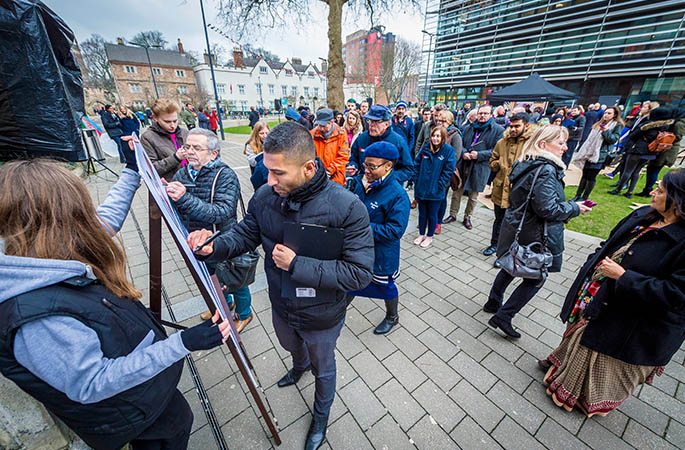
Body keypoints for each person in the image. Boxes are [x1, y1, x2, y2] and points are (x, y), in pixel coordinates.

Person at [0, 158, 231, 450]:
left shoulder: (43, 251)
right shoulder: (34, 315)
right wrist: (182, 343)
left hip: (137, 393)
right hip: (125, 411)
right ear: (56, 219)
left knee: (178, 421)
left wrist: (132, 172)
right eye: (80, 210)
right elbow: (92, 382)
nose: (90, 217)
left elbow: (106, 219)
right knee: (170, 433)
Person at [187, 122, 374, 450]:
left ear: (308, 168)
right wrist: (213, 247)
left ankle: (320, 417)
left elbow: (359, 274)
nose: (269, 180)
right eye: (267, 169)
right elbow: (245, 233)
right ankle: (298, 367)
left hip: (321, 314)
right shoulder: (265, 196)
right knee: (290, 345)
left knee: (323, 368)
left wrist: (297, 265)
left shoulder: (347, 207)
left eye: (278, 173)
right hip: (282, 304)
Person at [542, 169, 685, 417]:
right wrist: (593, 263)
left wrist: (623, 277)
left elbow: (676, 294)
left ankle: (581, 397)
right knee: (579, 335)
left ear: (678, 201)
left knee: (600, 354)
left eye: (660, 190)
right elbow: (609, 243)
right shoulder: (644, 215)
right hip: (601, 295)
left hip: (633, 322)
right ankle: (561, 369)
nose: (652, 192)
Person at [484, 125, 591, 338]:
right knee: (536, 277)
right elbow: (547, 208)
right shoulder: (547, 170)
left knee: (512, 263)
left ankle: (493, 302)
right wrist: (574, 208)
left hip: (519, 225)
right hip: (536, 232)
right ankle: (504, 316)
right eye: (560, 143)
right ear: (543, 144)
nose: (565, 147)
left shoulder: (527, 162)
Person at [166, 128, 254, 332]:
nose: (189, 151)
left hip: (223, 241)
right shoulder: (182, 173)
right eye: (187, 146)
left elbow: (222, 212)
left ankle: (244, 314)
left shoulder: (225, 175)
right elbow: (179, 208)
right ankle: (225, 304)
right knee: (211, 279)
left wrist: (184, 198)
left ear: (213, 153)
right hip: (197, 243)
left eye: (197, 148)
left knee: (235, 281)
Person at [347, 142, 410, 334]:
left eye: (372, 167)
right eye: (365, 164)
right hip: (357, 250)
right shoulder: (360, 182)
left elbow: (394, 231)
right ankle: (338, 308)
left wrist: (360, 227)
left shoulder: (398, 195)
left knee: (385, 286)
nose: (366, 170)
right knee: (350, 280)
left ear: (388, 166)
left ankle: (392, 316)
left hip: (381, 254)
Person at [484, 112, 535, 262]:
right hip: (500, 189)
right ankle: (494, 244)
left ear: (526, 125)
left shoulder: (531, 144)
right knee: (499, 220)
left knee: (514, 225)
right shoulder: (502, 142)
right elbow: (492, 161)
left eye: (517, 126)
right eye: (511, 126)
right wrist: (499, 163)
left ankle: (507, 254)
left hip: (519, 192)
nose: (513, 129)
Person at [444, 105, 504, 230]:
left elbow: (496, 150)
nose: (482, 116)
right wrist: (464, 152)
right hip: (464, 164)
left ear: (491, 115)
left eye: (485, 113)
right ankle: (452, 214)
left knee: (473, 196)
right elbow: (460, 144)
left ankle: (467, 217)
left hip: (480, 167)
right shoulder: (468, 127)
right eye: (480, 113)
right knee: (457, 191)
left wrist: (479, 155)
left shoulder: (498, 130)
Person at [609, 107, 674, 198]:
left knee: (627, 171)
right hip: (650, 152)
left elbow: (633, 135)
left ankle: (618, 190)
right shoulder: (665, 127)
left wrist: (626, 147)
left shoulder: (647, 125)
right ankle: (630, 192)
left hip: (638, 150)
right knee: (636, 172)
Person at [347, 105, 415, 187]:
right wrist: (353, 166)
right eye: (370, 121)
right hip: (364, 186)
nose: (371, 125)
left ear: (387, 124)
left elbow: (408, 169)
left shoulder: (398, 141)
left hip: (389, 188)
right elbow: (354, 158)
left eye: (376, 122)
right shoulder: (362, 138)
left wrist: (388, 179)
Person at [412, 126, 456, 248]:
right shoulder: (426, 148)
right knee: (422, 214)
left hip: (436, 190)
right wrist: (416, 180)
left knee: (432, 215)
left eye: (438, 136)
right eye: (433, 136)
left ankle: (429, 236)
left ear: (443, 138)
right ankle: (421, 234)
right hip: (422, 188)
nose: (435, 139)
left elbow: (449, 170)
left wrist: (440, 184)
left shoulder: (448, 151)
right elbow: (416, 164)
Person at [571, 107, 623, 201]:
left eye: (609, 113)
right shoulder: (599, 123)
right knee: (584, 175)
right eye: (605, 113)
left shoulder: (617, 125)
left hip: (600, 155)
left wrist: (606, 131)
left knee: (591, 177)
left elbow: (613, 139)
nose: (606, 115)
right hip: (589, 152)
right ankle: (577, 195)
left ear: (615, 115)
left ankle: (584, 197)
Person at [637, 107, 685, 196]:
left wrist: (664, 137)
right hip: (662, 147)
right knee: (651, 168)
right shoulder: (674, 121)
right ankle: (647, 189)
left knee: (654, 169)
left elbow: (677, 137)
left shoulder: (679, 124)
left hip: (667, 150)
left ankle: (648, 190)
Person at [140, 98, 189, 181]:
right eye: (167, 122)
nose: (172, 125)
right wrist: (176, 158)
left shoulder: (185, 132)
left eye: (175, 121)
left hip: (192, 182)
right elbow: (151, 169)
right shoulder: (147, 137)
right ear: (155, 118)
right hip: (170, 184)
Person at [436, 110, 463, 235]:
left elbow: (456, 156)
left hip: (445, 172)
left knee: (441, 198)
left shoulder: (455, 135)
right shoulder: (437, 132)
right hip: (433, 171)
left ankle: (438, 223)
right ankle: (429, 219)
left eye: (443, 121)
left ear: (450, 122)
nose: (439, 123)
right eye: (438, 120)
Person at [311, 108, 350, 185]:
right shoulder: (312, 134)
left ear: (331, 122)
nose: (321, 128)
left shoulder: (341, 134)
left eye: (323, 126)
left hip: (336, 176)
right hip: (318, 176)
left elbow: (343, 157)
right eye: (319, 125)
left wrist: (329, 171)